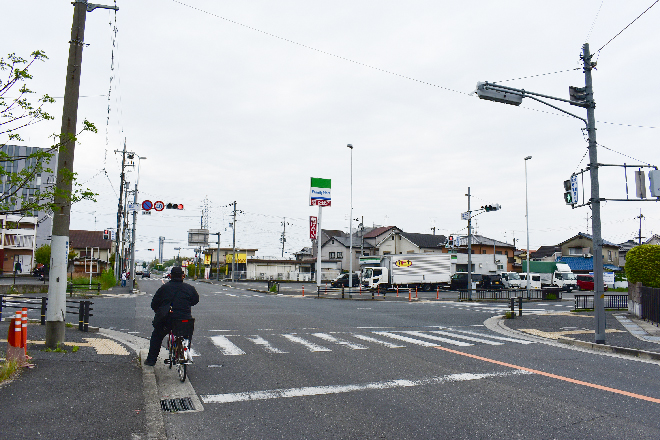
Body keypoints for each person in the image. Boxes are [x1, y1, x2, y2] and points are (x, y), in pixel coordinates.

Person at [144, 266, 199, 366]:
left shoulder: (164, 288)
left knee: (157, 336)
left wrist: (160, 310)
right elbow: (195, 300)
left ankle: (151, 360)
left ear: (171, 276)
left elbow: (154, 303)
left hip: (168, 319)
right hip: (185, 319)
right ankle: (184, 353)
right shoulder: (189, 288)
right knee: (186, 336)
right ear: (182, 276)